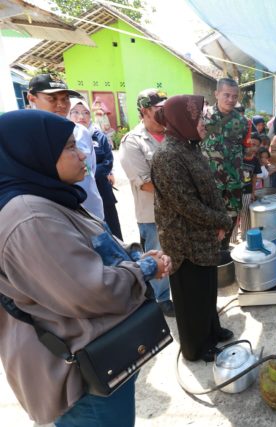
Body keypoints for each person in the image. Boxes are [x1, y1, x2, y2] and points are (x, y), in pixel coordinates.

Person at [0, 110, 171, 426]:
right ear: (33, 153)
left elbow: (93, 247)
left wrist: (136, 257)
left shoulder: (48, 198)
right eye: (67, 147)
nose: (81, 153)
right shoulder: (30, 219)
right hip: (78, 380)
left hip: (96, 358)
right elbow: (91, 290)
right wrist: (144, 269)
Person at [151, 95, 234, 363]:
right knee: (191, 297)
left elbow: (207, 189)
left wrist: (217, 220)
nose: (203, 124)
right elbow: (186, 205)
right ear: (183, 121)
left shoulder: (189, 147)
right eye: (198, 118)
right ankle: (196, 348)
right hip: (184, 239)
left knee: (207, 290)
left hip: (202, 234)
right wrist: (220, 220)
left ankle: (212, 331)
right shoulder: (167, 156)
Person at [120, 88, 174, 316]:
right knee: (157, 255)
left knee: (176, 254)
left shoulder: (173, 134)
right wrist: (181, 192)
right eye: (159, 110)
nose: (165, 114)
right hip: (152, 215)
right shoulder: (133, 142)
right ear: (144, 111)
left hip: (177, 212)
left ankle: (175, 290)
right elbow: (145, 183)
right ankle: (161, 299)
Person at [27, 73, 104, 220]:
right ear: (32, 99)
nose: (61, 105)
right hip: (58, 219)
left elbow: (90, 168)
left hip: (92, 211)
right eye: (52, 99)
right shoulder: (29, 137)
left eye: (65, 99)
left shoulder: (81, 131)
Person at [202, 78, 250, 250]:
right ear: (216, 94)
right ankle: (210, 252)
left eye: (234, 96)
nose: (231, 99)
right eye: (226, 95)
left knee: (231, 218)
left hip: (233, 182)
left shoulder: (242, 122)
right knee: (208, 219)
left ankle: (223, 250)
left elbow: (244, 148)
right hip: (209, 182)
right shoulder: (202, 118)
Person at [68, 98, 122, 239]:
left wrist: (90, 172)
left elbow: (108, 160)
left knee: (112, 231)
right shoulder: (65, 138)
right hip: (79, 194)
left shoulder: (99, 136)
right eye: (75, 112)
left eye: (86, 112)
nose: (81, 117)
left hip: (102, 190)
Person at [235, 135, 262, 241]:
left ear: (257, 148)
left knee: (246, 214)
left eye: (255, 145)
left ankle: (244, 238)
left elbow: (254, 177)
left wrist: (253, 192)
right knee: (234, 215)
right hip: (234, 191)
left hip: (247, 191)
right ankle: (231, 239)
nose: (251, 146)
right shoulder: (237, 156)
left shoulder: (255, 161)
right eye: (250, 143)